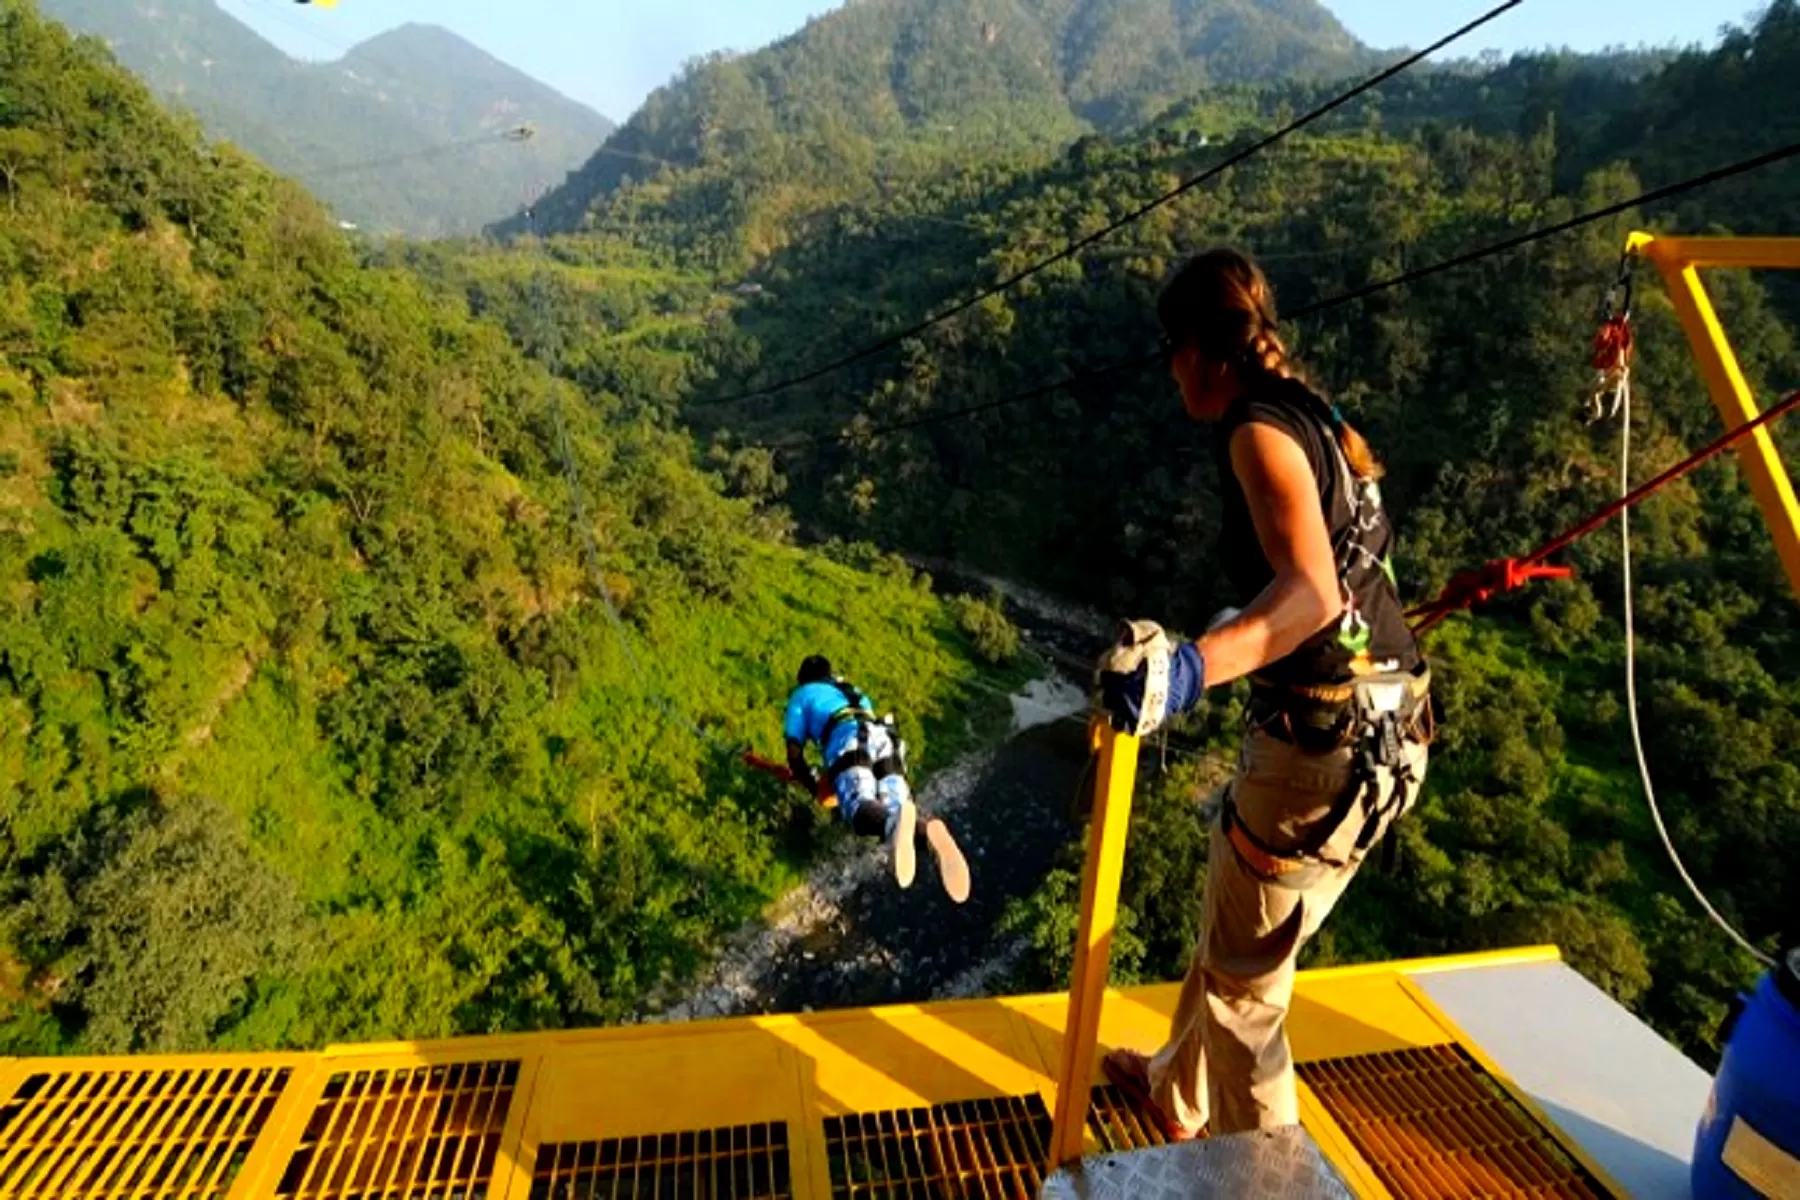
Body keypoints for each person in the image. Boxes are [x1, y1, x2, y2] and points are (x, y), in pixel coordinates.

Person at [1095, 248, 1435, 1138]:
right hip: (1394, 733)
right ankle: (1177, 1091)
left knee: (1250, 999)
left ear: (1204, 349)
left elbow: (1313, 593)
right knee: (1240, 937)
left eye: (1172, 347)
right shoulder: (1315, 414)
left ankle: (1262, 1182)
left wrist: (1193, 666)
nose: (1170, 368)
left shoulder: (1255, 429)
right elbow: (1344, 581)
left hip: (1317, 754)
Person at [784, 656, 971, 903]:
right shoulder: (852, 691)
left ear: (803, 679)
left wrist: (813, 788)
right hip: (884, 738)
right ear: (829, 674)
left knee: (860, 807)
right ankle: (928, 833)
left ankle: (896, 824)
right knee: (896, 810)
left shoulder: (802, 695)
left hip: (847, 739)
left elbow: (794, 756)